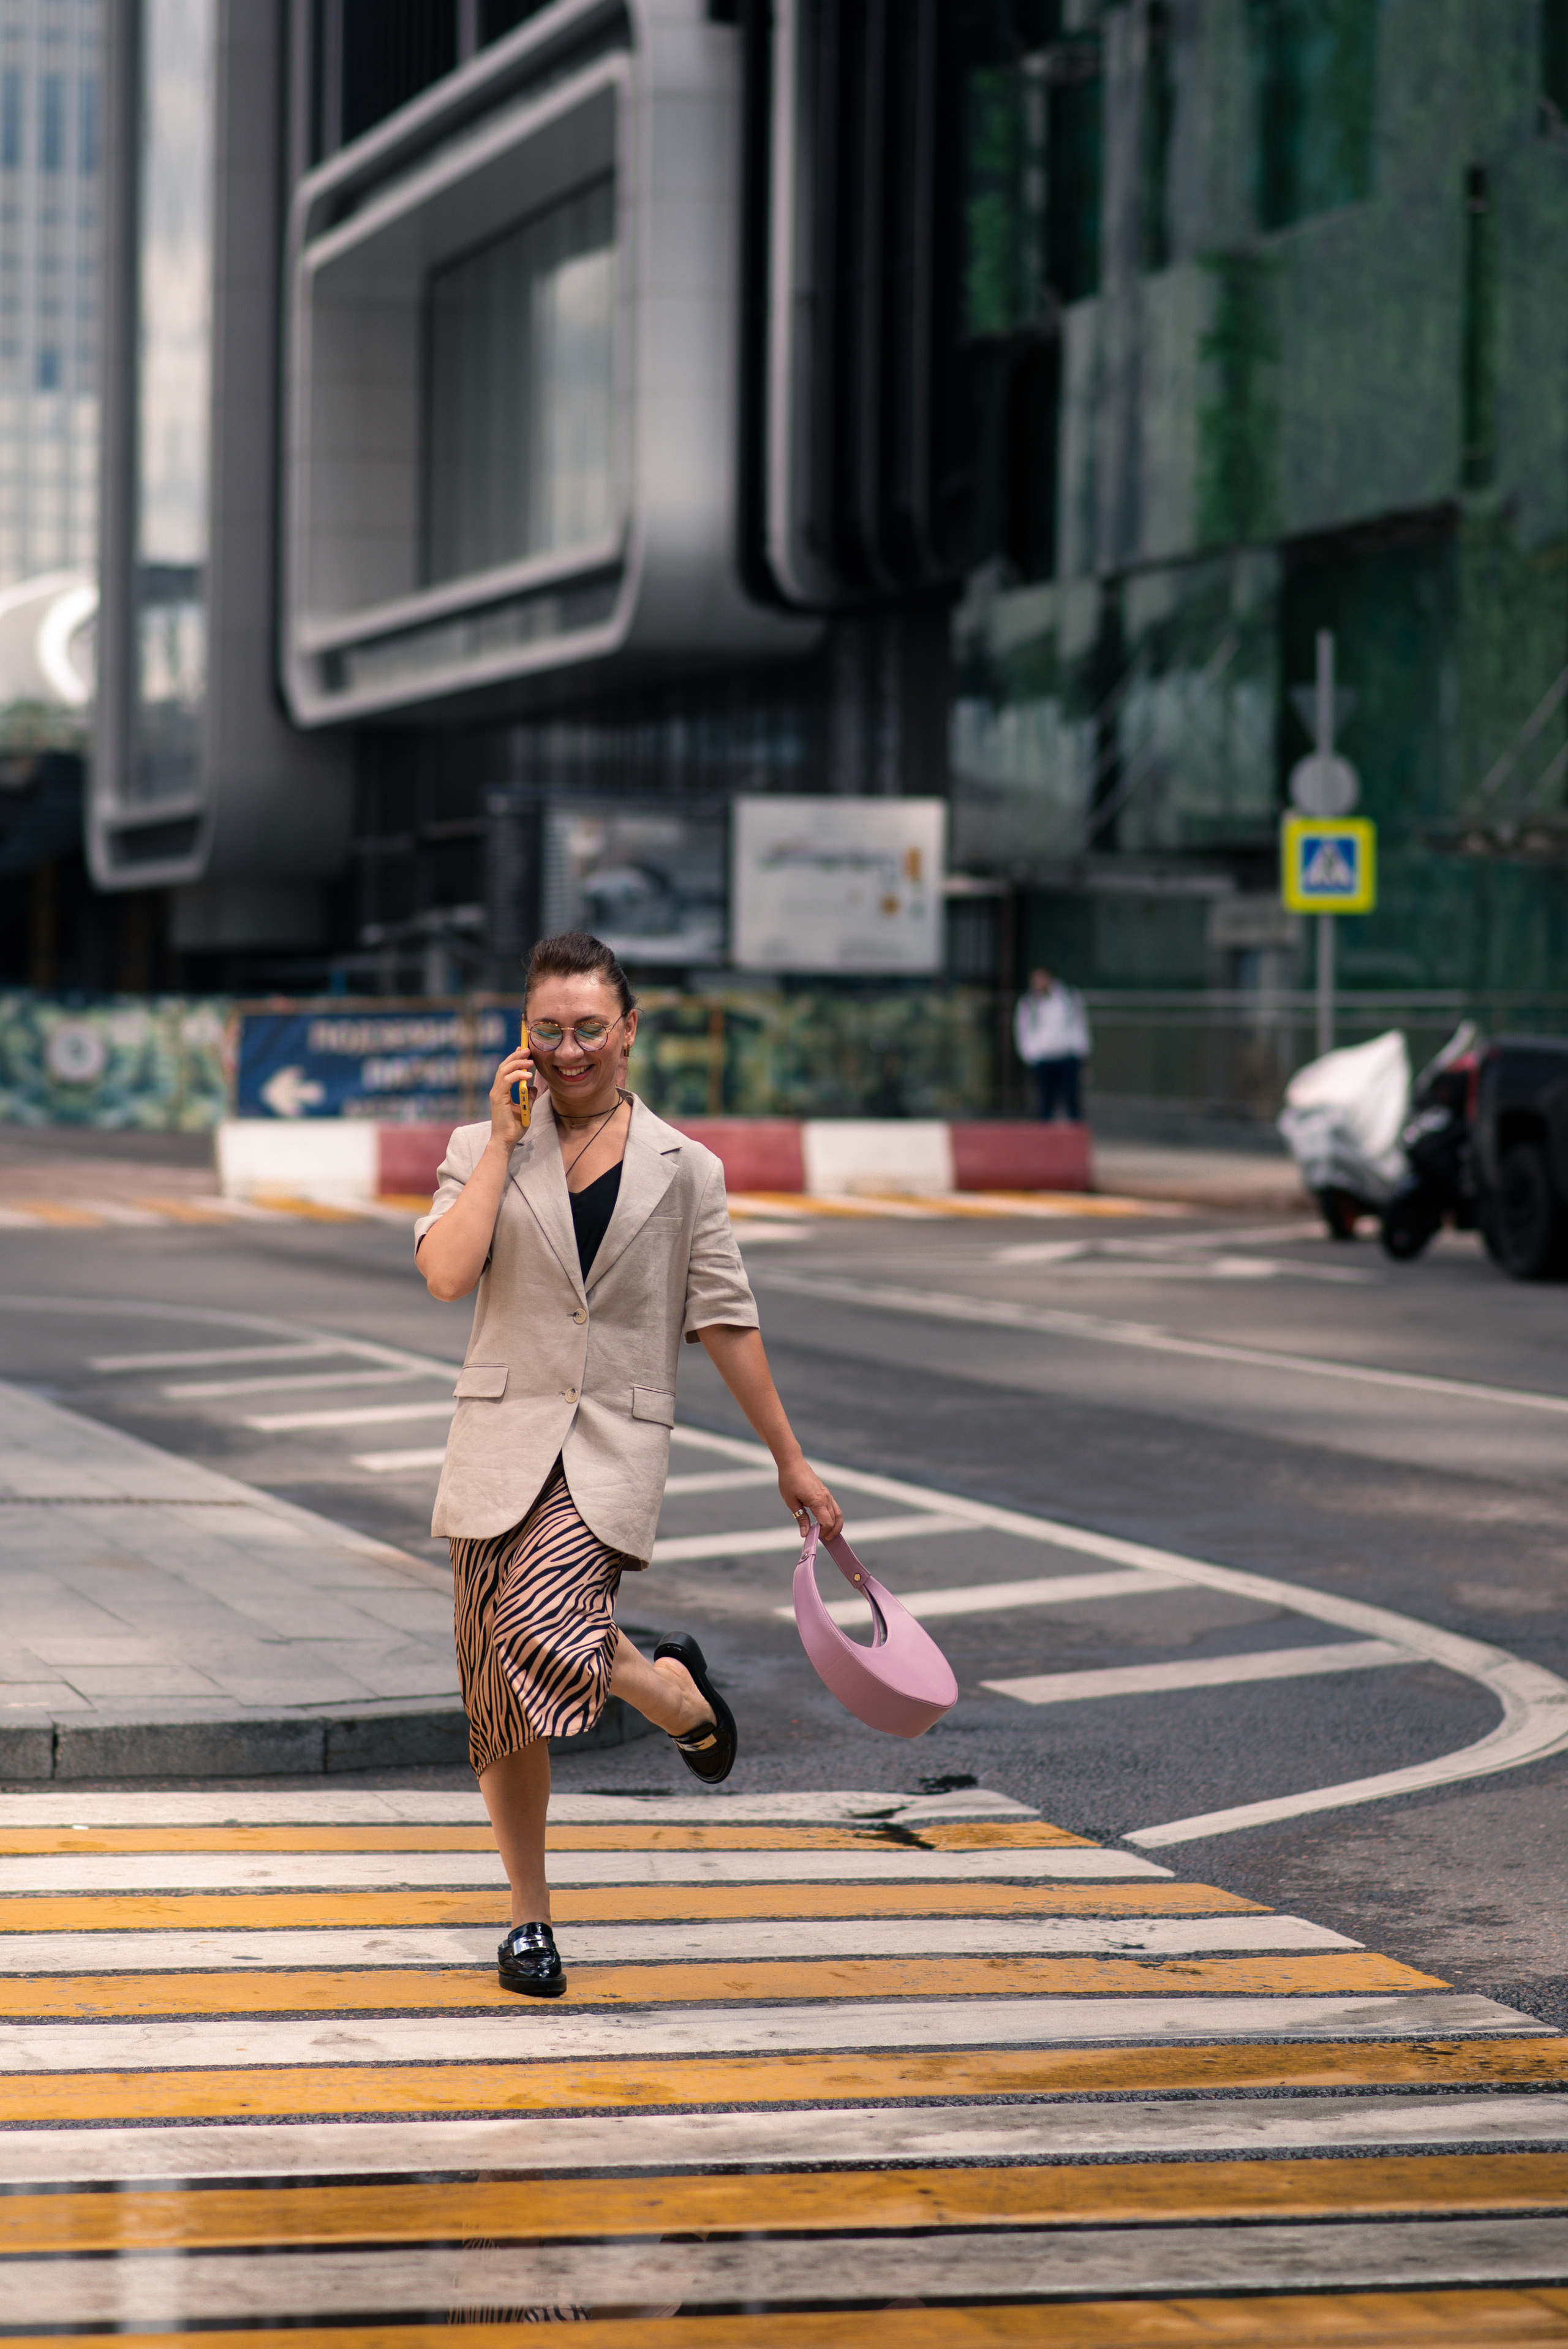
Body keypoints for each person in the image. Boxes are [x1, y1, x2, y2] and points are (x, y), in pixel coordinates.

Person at [415, 929, 842, 1999]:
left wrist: (789, 1459)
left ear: (629, 1029)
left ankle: (672, 1697)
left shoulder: (684, 1169)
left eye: (588, 1027)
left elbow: (728, 1320)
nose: (569, 1050)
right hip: (497, 1441)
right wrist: (509, 1147)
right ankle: (529, 1918)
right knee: (496, 1696)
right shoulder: (482, 1144)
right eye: (548, 1029)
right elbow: (445, 1272)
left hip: (607, 1449)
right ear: (525, 1035)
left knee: (536, 1629)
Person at [1014, 966, 1090, 1122]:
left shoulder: (1069, 997)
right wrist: (1030, 1054)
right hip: (1043, 1057)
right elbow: (1022, 1029)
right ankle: (1044, 1139)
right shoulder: (1029, 1002)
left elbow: (1080, 1024)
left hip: (1067, 1055)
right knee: (1044, 1100)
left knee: (1071, 1099)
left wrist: (1081, 1050)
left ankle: (1074, 1137)